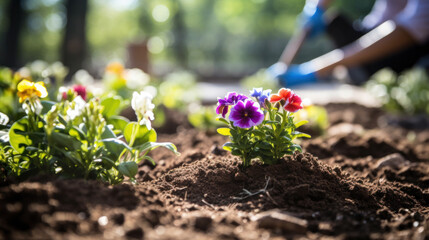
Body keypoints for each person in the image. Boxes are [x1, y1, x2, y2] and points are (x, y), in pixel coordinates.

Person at [268, 0, 429, 86]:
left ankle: (362, 71)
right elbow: (383, 18)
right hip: (394, 31)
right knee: (335, 22)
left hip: (412, 49)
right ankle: (355, 70)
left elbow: (409, 30)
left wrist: (317, 69)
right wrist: (316, 7)